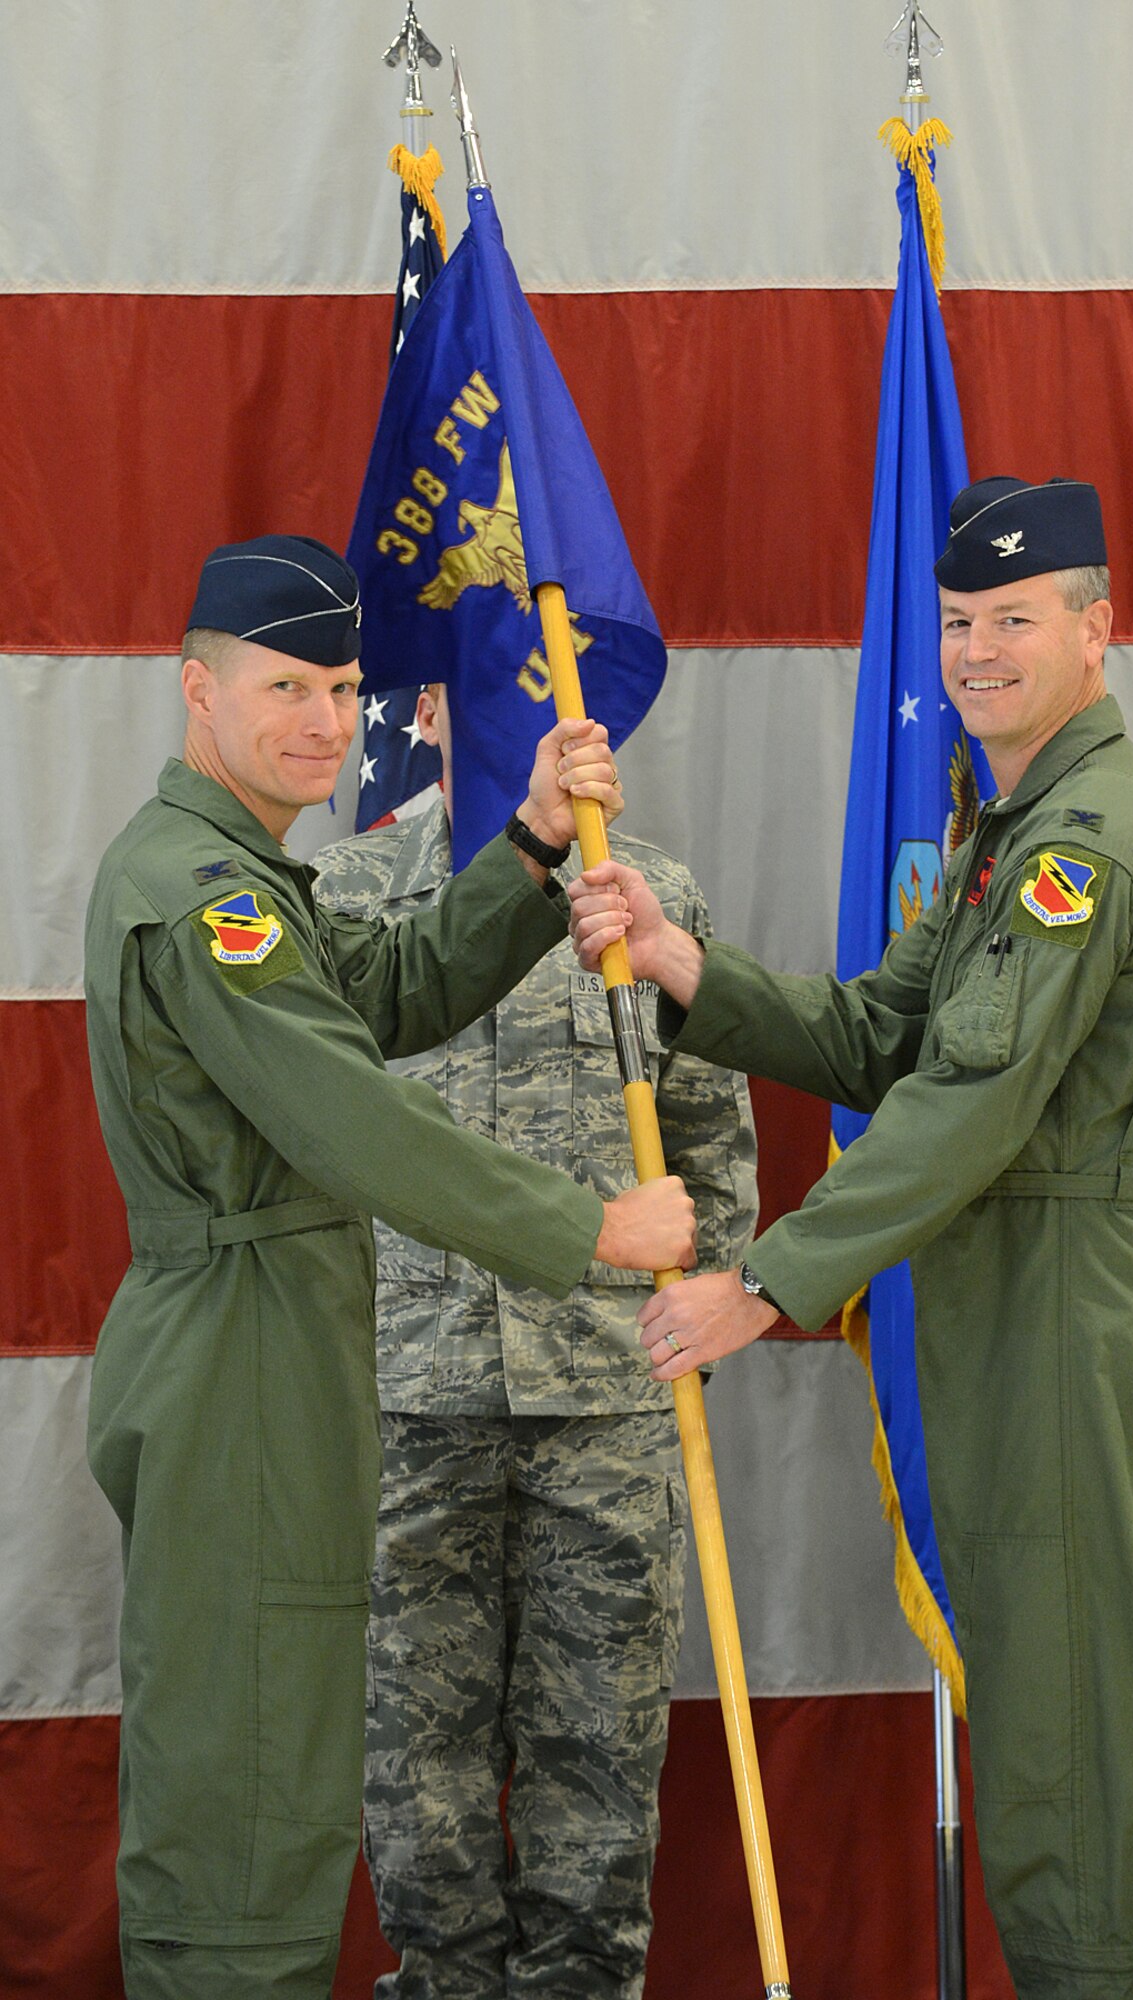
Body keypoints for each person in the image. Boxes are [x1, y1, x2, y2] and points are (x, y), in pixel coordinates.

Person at [568, 478, 1133, 2000]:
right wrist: (690, 968)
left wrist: (766, 1282)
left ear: (1095, 627)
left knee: (1085, 1794)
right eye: (954, 622)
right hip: (1018, 1321)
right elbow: (887, 1034)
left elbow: (968, 1107)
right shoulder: (1001, 825)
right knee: (1055, 1762)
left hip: (1080, 1322)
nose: (974, 652)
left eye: (1013, 618)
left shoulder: (1088, 847)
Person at [82, 535, 696, 2000]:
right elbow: (343, 1110)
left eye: (341, 687)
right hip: (238, 1352)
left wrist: (534, 845)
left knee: (276, 1763)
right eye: (283, 683)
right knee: (244, 1781)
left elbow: (390, 993)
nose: (317, 718)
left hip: (276, 1342)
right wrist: (589, 1232)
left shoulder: (247, 873)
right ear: (196, 686)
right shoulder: (199, 891)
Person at [313, 682, 757, 2000]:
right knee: (417, 1804)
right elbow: (318, 1150)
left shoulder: (646, 887)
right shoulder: (349, 893)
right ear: (425, 695)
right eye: (469, 668)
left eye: (530, 673)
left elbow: (709, 1142)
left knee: (598, 1801)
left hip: (606, 1412)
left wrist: (696, 1325)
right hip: (408, 1406)